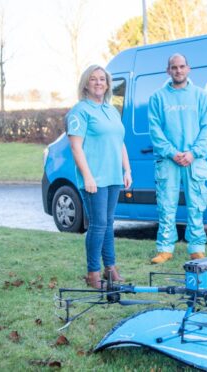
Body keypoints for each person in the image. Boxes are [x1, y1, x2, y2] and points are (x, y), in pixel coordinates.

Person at [66, 64, 132, 289]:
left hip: (113, 177)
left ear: (107, 84)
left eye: (102, 79)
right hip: (94, 179)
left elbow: (120, 141)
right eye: (93, 79)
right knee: (98, 224)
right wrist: (88, 177)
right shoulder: (79, 111)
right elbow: (76, 147)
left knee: (108, 224)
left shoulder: (111, 110)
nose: (98, 83)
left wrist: (127, 169)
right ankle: (93, 274)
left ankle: (110, 269)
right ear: (86, 83)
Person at [147, 53, 207, 264]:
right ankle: (165, 248)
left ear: (189, 69)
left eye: (182, 66)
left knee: (196, 205)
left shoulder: (201, 96)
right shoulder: (157, 98)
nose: (178, 70)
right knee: (166, 205)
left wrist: (193, 152)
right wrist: (171, 152)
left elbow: (206, 128)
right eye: (174, 67)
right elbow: (155, 130)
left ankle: (196, 247)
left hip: (194, 160)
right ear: (168, 71)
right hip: (169, 160)